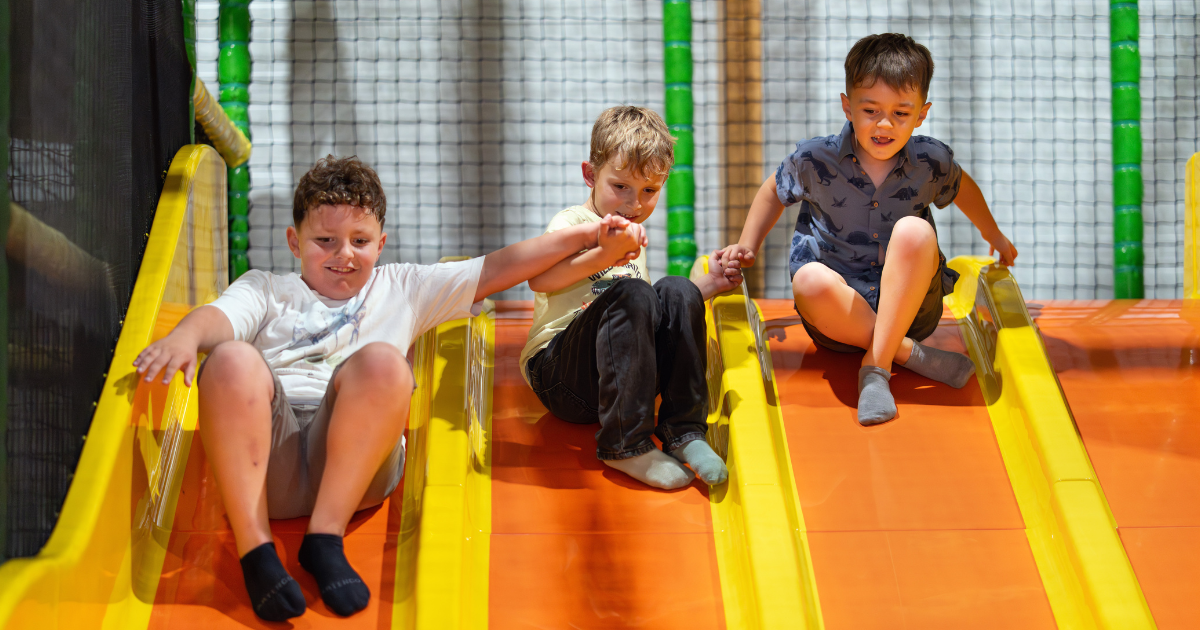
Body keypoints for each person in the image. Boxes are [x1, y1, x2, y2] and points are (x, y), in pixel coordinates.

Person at [132, 155, 644, 621]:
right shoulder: (267, 288)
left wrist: (594, 235)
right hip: (270, 463)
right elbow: (219, 318)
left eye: (360, 240)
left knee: (383, 363)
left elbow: (502, 265)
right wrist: (185, 337)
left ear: (382, 241)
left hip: (360, 463)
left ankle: (324, 540)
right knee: (230, 359)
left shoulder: (402, 287)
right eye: (324, 241)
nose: (344, 256)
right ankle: (255, 550)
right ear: (295, 242)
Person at [719, 33, 1018, 426]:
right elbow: (773, 191)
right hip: (837, 320)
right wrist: (747, 244)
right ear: (848, 106)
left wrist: (993, 235)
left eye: (901, 113)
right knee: (808, 279)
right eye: (870, 110)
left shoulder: (931, 160)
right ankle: (909, 354)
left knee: (914, 231)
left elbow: (963, 188)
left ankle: (876, 369)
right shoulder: (816, 158)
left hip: (914, 311)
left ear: (922, 114)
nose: (884, 124)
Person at [520, 105, 743, 491]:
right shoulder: (574, 223)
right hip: (562, 379)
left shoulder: (633, 238)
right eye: (620, 186)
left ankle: (684, 432)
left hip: (622, 380)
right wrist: (602, 254)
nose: (634, 204)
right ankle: (625, 445)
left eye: (649, 191)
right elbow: (538, 278)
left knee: (675, 288)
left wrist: (700, 289)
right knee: (636, 292)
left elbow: (647, 314)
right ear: (590, 174)